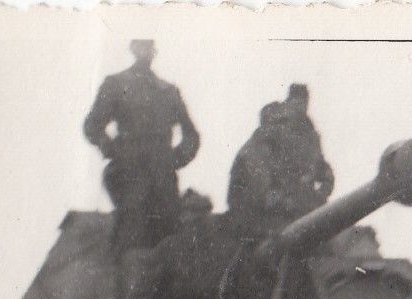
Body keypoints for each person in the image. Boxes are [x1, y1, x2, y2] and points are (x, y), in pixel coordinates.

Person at [84, 40, 200, 255]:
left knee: (171, 240)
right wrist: (113, 150)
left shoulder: (169, 92)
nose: (145, 52)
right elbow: (92, 126)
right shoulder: (116, 85)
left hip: (162, 177)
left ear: (154, 51)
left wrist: (174, 159)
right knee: (131, 234)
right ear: (133, 49)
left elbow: (191, 136)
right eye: (141, 46)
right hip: (128, 173)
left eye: (149, 47)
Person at [226, 84, 334, 241]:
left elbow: (322, 172)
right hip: (255, 223)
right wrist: (295, 202)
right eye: (279, 124)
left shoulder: (303, 140)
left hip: (289, 217)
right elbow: (264, 192)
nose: (283, 128)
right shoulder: (257, 148)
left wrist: (317, 198)